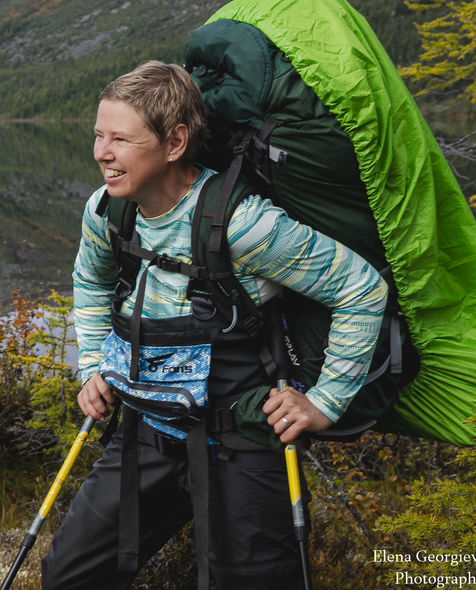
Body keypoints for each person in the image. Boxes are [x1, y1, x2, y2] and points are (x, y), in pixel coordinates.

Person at [41, 60, 387, 589]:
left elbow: (361, 288)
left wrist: (323, 402)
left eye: (120, 139)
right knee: (68, 577)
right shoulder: (108, 212)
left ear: (175, 142)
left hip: (242, 439)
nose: (101, 154)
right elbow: (89, 283)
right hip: (147, 429)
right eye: (97, 135)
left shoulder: (243, 226)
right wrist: (91, 364)